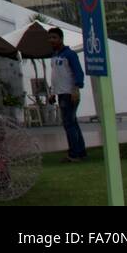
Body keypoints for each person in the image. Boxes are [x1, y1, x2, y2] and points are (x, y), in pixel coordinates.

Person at [47, 27, 88, 162]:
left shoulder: (69, 54)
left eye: (54, 37)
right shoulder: (54, 56)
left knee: (69, 124)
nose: (52, 40)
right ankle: (80, 151)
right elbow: (56, 77)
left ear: (61, 39)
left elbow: (78, 72)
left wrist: (76, 89)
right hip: (61, 93)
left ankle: (74, 154)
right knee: (72, 123)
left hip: (69, 94)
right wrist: (52, 93)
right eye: (50, 38)